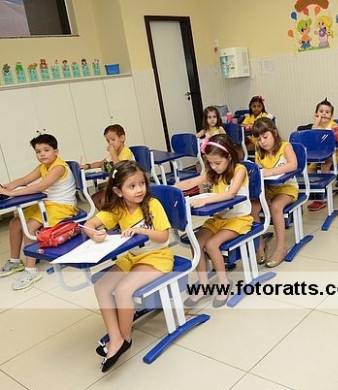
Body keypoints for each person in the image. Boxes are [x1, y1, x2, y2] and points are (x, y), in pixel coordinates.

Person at [82, 161, 173, 372]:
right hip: (132, 258)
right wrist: (95, 234)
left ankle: (125, 338)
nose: (139, 189)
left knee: (123, 290)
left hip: (157, 257)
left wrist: (142, 231)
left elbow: (163, 236)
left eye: (141, 183)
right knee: (101, 286)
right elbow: (89, 224)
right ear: (118, 191)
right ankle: (115, 337)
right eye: (132, 186)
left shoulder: (152, 204)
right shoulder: (118, 208)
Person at [175, 134, 253, 308]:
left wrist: (205, 201)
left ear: (229, 157)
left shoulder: (239, 169)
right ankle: (203, 285)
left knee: (211, 245)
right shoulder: (213, 172)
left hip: (238, 219)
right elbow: (192, 182)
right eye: (210, 163)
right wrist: (171, 190)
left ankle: (223, 283)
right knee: (196, 242)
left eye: (217, 163)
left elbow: (230, 194)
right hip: (219, 218)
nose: (214, 167)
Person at [0, 134, 78, 290]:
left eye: (46, 150)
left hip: (62, 207)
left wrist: (11, 193)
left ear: (56, 151)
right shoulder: (43, 166)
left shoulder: (59, 167)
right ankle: (15, 261)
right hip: (47, 203)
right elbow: (24, 180)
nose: (42, 154)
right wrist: (6, 187)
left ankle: (31, 270)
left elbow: (40, 187)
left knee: (29, 227)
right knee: (15, 223)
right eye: (38, 151)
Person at [251, 117, 298, 268]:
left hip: (287, 188)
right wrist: (264, 194)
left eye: (265, 137)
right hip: (268, 189)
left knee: (276, 207)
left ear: (274, 133)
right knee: (253, 207)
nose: (262, 142)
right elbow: (259, 176)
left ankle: (280, 247)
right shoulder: (259, 153)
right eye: (259, 139)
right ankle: (260, 243)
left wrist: (271, 171)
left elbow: (293, 165)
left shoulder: (285, 147)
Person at [83, 124, 135, 210]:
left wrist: (112, 152)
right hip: (116, 186)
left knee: (105, 201)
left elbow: (119, 167)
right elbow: (100, 163)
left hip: (127, 185)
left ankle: (114, 217)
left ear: (122, 138)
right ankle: (109, 218)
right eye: (108, 141)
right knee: (94, 199)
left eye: (113, 139)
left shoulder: (126, 152)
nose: (110, 143)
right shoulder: (113, 154)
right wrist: (87, 166)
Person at [308, 98, 338, 211]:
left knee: (324, 166)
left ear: (331, 115)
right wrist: (316, 121)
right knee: (310, 169)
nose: (324, 114)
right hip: (317, 155)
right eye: (321, 111)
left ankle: (324, 193)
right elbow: (312, 135)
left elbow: (337, 135)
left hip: (332, 154)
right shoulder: (316, 126)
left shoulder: (333, 125)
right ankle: (314, 192)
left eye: (327, 112)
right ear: (316, 114)